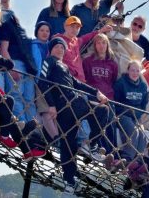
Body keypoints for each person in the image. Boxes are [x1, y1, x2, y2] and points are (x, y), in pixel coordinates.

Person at [38, 37, 115, 191]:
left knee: (68, 143)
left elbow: (77, 83)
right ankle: (92, 145)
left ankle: (69, 180)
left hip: (70, 106)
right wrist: (51, 105)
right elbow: (42, 81)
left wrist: (96, 92)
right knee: (101, 111)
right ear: (51, 49)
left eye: (62, 47)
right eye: (57, 47)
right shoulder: (50, 61)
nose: (60, 49)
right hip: (67, 103)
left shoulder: (63, 66)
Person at [0, 31, 45, 161]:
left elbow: (10, 64)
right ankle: (5, 136)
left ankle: (27, 152)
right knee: (7, 100)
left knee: (9, 119)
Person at [0, 13, 38, 122]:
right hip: (16, 63)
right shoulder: (7, 26)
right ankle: (23, 127)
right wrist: (12, 68)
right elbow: (4, 49)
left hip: (28, 67)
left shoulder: (21, 30)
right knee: (16, 96)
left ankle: (33, 129)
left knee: (29, 100)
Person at [54, 15, 113, 83]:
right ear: (65, 26)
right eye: (72, 26)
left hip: (80, 82)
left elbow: (87, 37)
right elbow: (52, 60)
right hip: (67, 81)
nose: (75, 29)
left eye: (77, 27)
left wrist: (101, 30)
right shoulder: (58, 40)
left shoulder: (77, 41)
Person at [114, 60, 149, 162]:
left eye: (137, 71)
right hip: (122, 114)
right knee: (133, 131)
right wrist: (127, 111)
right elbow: (115, 101)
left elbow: (144, 105)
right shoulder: (121, 83)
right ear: (128, 70)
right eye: (132, 70)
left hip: (136, 116)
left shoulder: (143, 86)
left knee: (142, 134)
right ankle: (126, 158)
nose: (135, 73)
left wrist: (136, 113)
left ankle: (137, 161)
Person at [83, 33, 118, 100]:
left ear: (107, 45)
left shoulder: (113, 64)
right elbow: (84, 80)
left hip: (108, 97)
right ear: (95, 46)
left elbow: (113, 81)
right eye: (98, 43)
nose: (101, 45)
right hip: (92, 96)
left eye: (104, 43)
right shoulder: (87, 62)